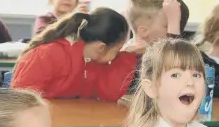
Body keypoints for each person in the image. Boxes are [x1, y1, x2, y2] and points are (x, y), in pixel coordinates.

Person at [12, 8, 144, 101]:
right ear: (101, 47)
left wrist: (125, 57)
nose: (117, 55)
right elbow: (21, 100)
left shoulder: (94, 59)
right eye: (117, 50)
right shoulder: (47, 54)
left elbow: (109, 93)